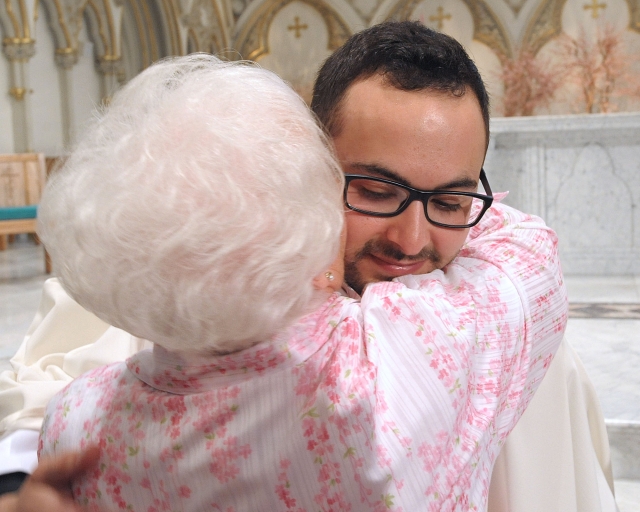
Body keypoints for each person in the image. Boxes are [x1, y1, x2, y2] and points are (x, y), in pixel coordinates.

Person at [0, 21, 612, 511]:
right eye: (375, 190)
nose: (411, 240)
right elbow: (34, 426)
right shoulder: (178, 267)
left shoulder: (522, 343)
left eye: (450, 201)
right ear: (306, 167)